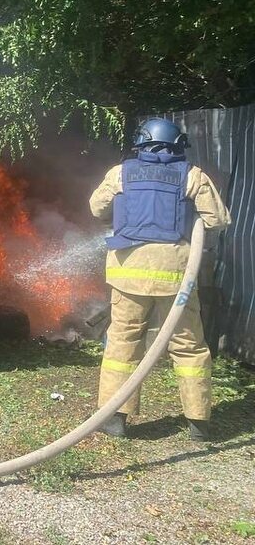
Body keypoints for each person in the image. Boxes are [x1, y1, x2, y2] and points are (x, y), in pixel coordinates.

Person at [89, 117, 231, 441]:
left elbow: (97, 209)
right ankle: (198, 422)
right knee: (189, 346)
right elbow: (217, 219)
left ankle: (115, 419)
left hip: (128, 273)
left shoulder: (120, 173)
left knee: (123, 342)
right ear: (178, 144)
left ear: (140, 142)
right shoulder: (192, 175)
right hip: (175, 275)